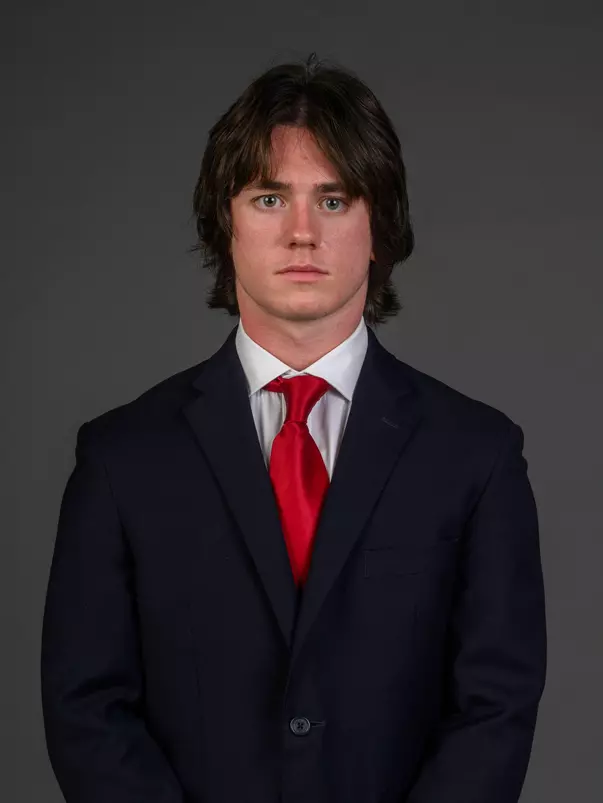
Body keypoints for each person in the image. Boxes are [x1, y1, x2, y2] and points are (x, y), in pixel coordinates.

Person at [41, 53, 547, 803]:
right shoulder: (121, 458)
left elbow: (495, 708)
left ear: (381, 227)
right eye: (270, 198)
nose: (302, 233)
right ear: (226, 223)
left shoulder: (476, 455)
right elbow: (87, 709)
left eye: (335, 199)